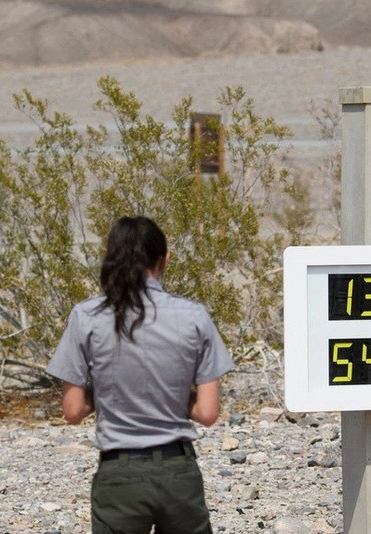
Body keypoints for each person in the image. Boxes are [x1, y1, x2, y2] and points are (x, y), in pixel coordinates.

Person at [47, 216, 235, 533]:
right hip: (178, 473)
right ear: (164, 260)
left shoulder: (86, 316)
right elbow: (207, 413)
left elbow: (73, 410)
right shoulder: (194, 316)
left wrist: (108, 390)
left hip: (118, 476)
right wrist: (173, 395)